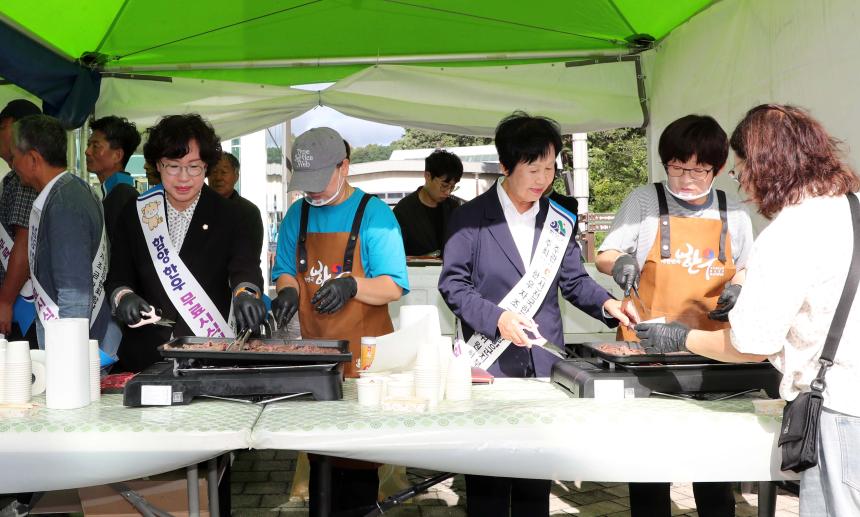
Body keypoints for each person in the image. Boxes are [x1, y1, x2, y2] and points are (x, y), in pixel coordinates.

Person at [635, 104, 860, 517]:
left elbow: (752, 345)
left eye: (741, 171)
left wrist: (677, 336)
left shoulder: (791, 228)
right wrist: (742, 287)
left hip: (841, 412)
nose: (742, 188)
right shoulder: (852, 205)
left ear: (767, 166)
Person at [438, 112, 637, 516]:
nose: (543, 179)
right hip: (488, 367)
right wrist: (497, 317)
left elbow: (574, 281)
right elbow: (453, 286)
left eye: (549, 168)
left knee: (534, 486)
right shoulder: (470, 219)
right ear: (506, 166)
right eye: (533, 167)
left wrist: (608, 304)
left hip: (543, 366)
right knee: (489, 484)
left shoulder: (558, 220)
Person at [595, 114, 754, 517]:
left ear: (717, 170)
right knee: (649, 461)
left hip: (712, 352)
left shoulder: (733, 212)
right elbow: (605, 252)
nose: (685, 178)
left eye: (698, 170)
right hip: (649, 351)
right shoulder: (644, 201)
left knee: (715, 462)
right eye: (677, 166)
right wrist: (620, 263)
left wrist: (739, 286)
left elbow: (749, 266)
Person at [270, 127, 409, 514]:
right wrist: (288, 292)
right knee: (320, 461)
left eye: (319, 181)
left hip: (365, 363)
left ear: (344, 167)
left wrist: (352, 285)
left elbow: (394, 285)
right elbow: (286, 270)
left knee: (358, 466)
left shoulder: (375, 215)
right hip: (315, 358)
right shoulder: (297, 214)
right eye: (305, 184)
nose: (311, 193)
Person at [106, 114, 266, 372]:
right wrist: (124, 297)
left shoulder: (234, 215)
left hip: (208, 355)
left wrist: (246, 293)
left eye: (194, 167)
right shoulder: (136, 214)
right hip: (146, 356)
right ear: (158, 165)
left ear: (206, 167)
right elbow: (117, 276)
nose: (183, 178)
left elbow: (244, 268)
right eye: (173, 166)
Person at [10, 114, 118, 354]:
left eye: (14, 156)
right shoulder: (72, 189)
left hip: (75, 348)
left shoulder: (65, 203)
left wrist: (69, 359)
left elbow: (74, 291)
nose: (12, 163)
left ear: (33, 159)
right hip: (84, 338)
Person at [0, 100, 41, 346]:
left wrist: (5, 301)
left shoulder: (23, 178)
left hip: (23, 304)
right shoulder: (14, 177)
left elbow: (24, 243)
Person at [393, 149, 464, 256]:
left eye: (452, 187)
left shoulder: (454, 208)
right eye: (444, 185)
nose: (448, 192)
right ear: (427, 176)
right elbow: (395, 253)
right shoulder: (403, 211)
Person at [86, 115, 141, 247]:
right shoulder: (113, 192)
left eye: (95, 146)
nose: (87, 151)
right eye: (89, 145)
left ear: (117, 155)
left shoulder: (123, 195)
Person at [209, 151, 264, 258]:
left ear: (236, 176)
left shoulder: (249, 212)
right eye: (214, 171)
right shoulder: (198, 207)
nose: (218, 177)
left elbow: (251, 255)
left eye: (224, 172)